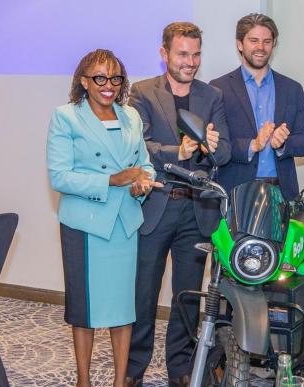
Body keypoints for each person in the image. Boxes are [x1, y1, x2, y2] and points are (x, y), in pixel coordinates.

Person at [125, 22, 231, 387]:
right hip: (155, 206)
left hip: (196, 211)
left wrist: (211, 146)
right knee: (143, 296)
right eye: (183, 53)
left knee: (187, 298)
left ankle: (182, 372)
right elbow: (137, 145)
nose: (190, 62)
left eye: (196, 54)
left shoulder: (212, 95)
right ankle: (132, 371)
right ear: (164, 53)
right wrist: (178, 151)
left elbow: (227, 151)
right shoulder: (141, 93)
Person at [46, 49, 160, 387]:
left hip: (124, 223)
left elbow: (144, 163)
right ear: (84, 81)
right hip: (86, 225)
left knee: (123, 309)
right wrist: (112, 180)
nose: (107, 85)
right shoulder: (66, 117)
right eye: (99, 78)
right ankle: (84, 380)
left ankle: (118, 381)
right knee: (86, 310)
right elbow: (59, 177)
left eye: (114, 78)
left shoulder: (131, 117)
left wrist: (142, 183)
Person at [209, 13, 304, 200]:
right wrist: (252, 145)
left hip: (281, 194)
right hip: (236, 194)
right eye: (253, 40)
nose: (260, 47)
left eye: (267, 41)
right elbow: (217, 147)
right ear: (240, 44)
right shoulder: (218, 88)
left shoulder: (292, 89)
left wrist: (282, 145)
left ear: (273, 45)